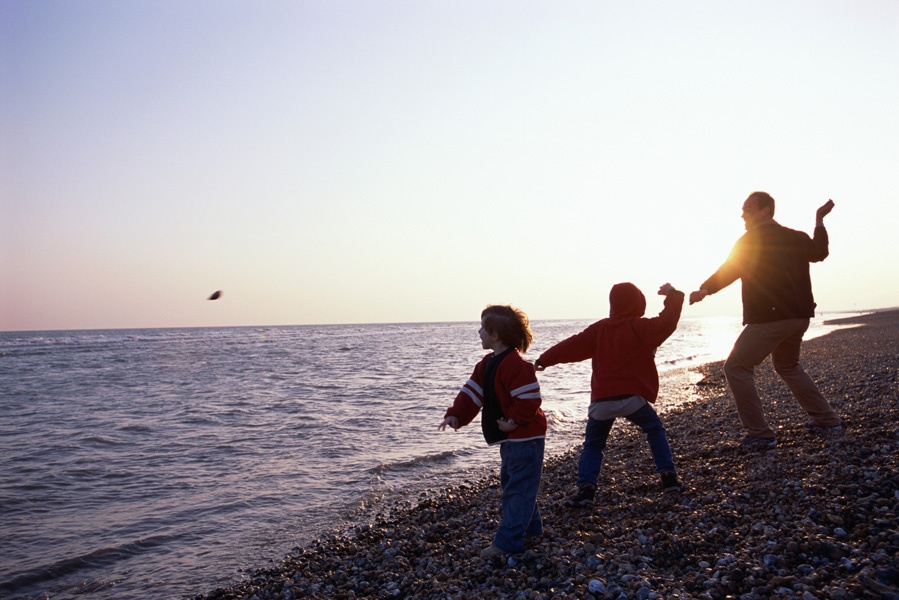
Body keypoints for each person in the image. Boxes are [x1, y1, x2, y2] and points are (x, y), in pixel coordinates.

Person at [689, 192, 841, 449]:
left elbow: (730, 269)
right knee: (787, 365)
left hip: (771, 318)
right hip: (799, 317)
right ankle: (828, 420)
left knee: (736, 367)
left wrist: (705, 289)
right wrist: (818, 220)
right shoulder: (796, 237)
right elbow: (820, 252)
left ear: (765, 210)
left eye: (748, 209)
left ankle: (760, 434)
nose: (743, 214)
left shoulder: (749, 241)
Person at [535, 282, 685, 507]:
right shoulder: (640, 327)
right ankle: (669, 477)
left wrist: (543, 360)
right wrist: (672, 296)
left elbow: (571, 345)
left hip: (602, 401)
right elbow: (668, 320)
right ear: (638, 303)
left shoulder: (599, 329)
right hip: (633, 399)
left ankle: (586, 489)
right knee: (654, 429)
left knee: (594, 445)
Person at [439, 305, 547, 559]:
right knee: (514, 482)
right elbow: (471, 394)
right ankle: (532, 529)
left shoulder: (517, 365)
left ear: (495, 335)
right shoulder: (487, 364)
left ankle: (508, 542)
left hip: (527, 436)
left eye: (482, 328)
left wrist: (514, 421)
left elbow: (530, 399)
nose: (478, 332)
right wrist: (456, 414)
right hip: (510, 438)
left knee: (518, 487)